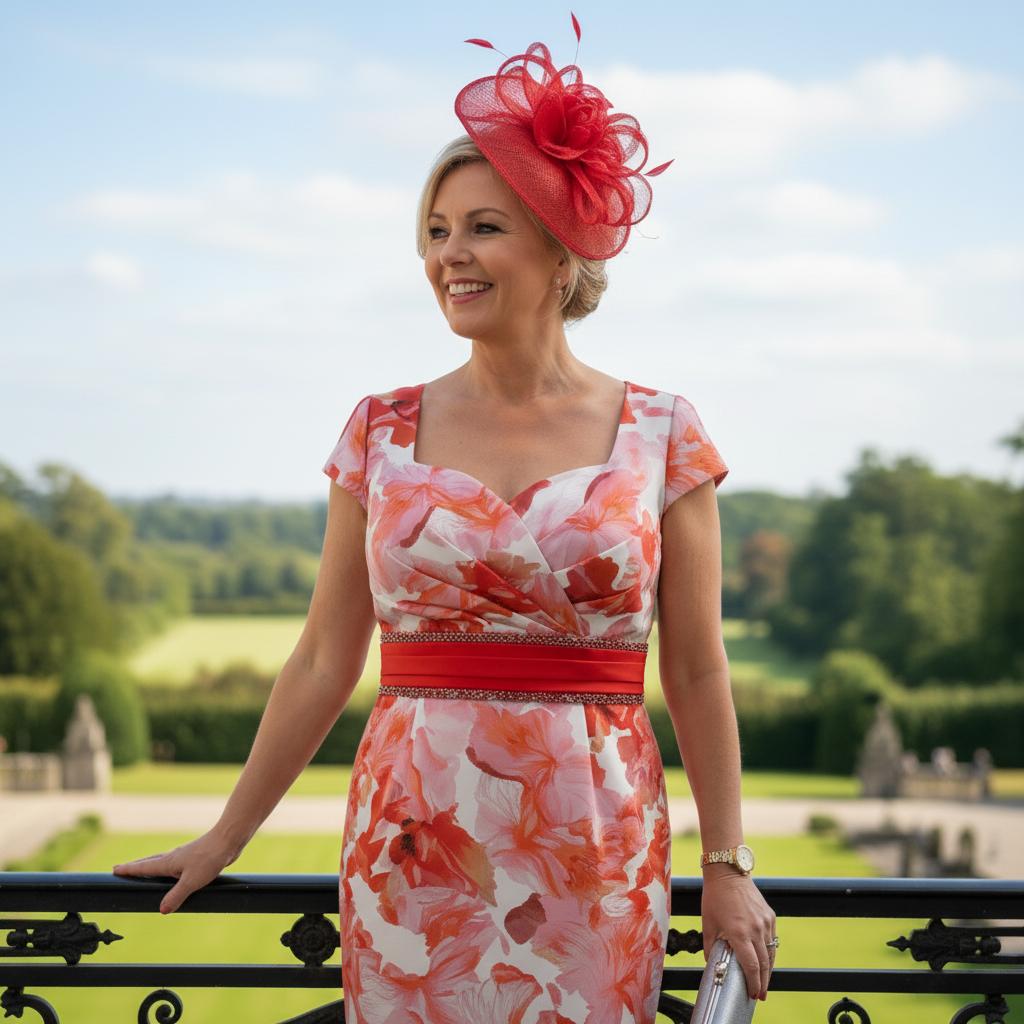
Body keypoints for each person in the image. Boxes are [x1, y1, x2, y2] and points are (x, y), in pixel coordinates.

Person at [112, 14, 777, 1021]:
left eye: (481, 227)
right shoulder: (377, 429)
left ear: (561, 253)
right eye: (434, 231)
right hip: (411, 837)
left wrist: (726, 863)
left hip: (594, 841)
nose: (448, 256)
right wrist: (225, 835)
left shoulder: (663, 433)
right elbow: (324, 656)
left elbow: (694, 668)